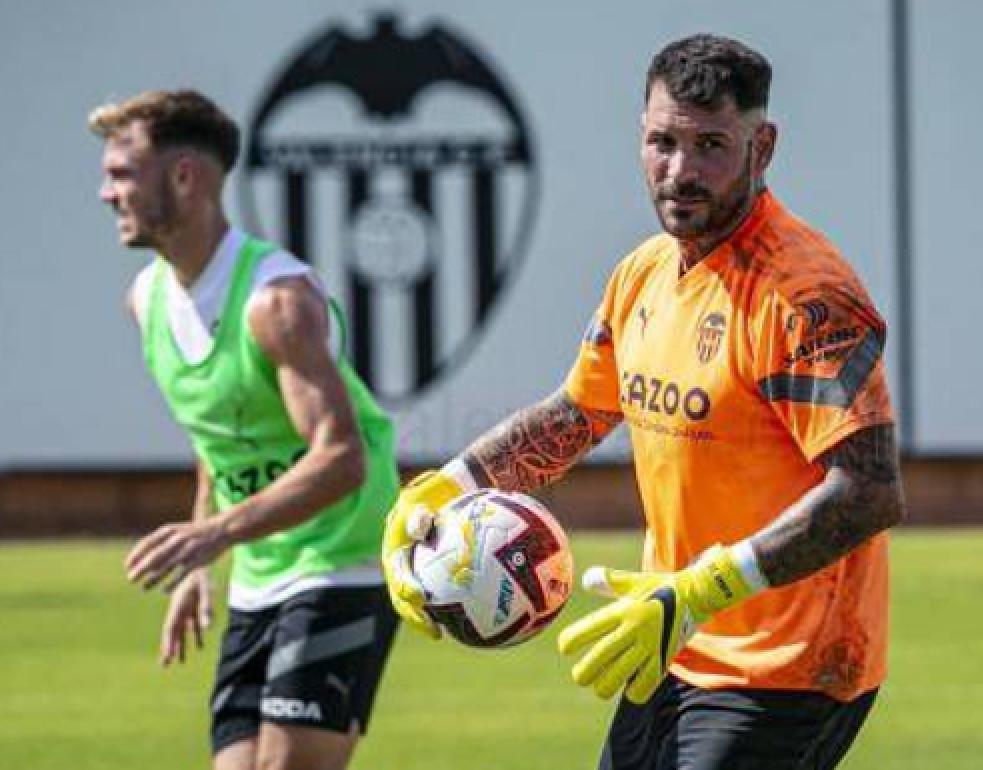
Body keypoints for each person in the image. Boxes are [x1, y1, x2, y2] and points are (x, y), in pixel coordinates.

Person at [384, 34, 904, 770]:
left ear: (763, 148)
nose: (680, 171)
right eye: (663, 142)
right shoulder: (644, 273)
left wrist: (705, 588)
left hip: (787, 664)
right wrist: (449, 485)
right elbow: (576, 415)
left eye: (711, 145)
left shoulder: (807, 297)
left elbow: (870, 492)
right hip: (668, 641)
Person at [91, 90, 400, 770]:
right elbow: (218, 442)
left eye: (121, 174)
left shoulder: (276, 301)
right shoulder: (145, 302)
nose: (105, 193)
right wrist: (203, 562)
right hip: (261, 572)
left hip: (342, 560)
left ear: (182, 177)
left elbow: (342, 458)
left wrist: (214, 533)